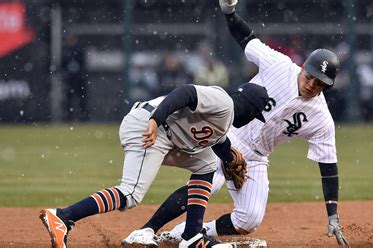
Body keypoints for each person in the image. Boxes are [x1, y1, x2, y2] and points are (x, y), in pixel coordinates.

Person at [124, 0, 349, 246]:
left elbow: (329, 167)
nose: (311, 85)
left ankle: (183, 234)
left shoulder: (321, 118)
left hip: (258, 155)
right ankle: (146, 230)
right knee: (207, 184)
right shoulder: (280, 65)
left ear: (328, 86)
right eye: (310, 77)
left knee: (249, 219)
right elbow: (247, 39)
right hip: (228, 136)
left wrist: (332, 213)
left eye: (319, 84)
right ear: (303, 66)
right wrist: (229, 12)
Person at [39, 82, 274, 248]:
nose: (252, 120)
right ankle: (63, 216)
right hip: (149, 127)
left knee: (207, 164)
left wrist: (229, 157)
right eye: (255, 114)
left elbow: (219, 143)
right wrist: (155, 120)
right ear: (251, 108)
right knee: (130, 193)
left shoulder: (224, 121)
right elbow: (185, 93)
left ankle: (192, 236)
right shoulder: (223, 102)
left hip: (167, 136)